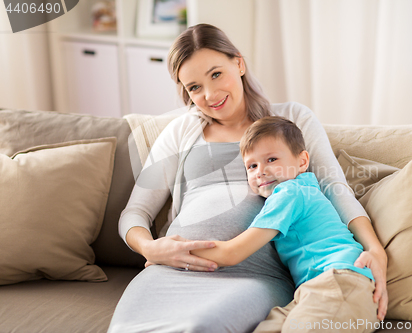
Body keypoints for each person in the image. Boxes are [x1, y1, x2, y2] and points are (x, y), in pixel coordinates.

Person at [108, 23, 387, 333]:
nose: (210, 95)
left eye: (216, 74)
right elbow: (135, 213)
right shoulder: (181, 130)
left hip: (251, 274)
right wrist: (151, 248)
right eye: (194, 87)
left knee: (199, 328)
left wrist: (375, 250)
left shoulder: (291, 120)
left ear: (238, 63)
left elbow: (335, 189)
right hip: (171, 268)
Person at [190, 116, 379, 333]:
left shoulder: (290, 192)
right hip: (312, 290)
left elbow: (231, 253)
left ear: (302, 161)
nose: (260, 170)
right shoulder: (303, 189)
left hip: (341, 280)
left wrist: (173, 249)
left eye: (271, 159)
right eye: (252, 165)